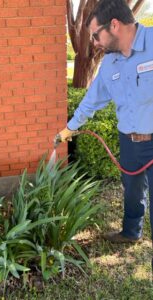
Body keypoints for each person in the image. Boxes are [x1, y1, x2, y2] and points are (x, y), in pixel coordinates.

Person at [58, 0, 153, 244]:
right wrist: (70, 128)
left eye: (95, 35)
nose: (94, 42)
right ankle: (131, 232)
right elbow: (92, 99)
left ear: (114, 25)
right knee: (131, 192)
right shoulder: (110, 63)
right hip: (129, 142)